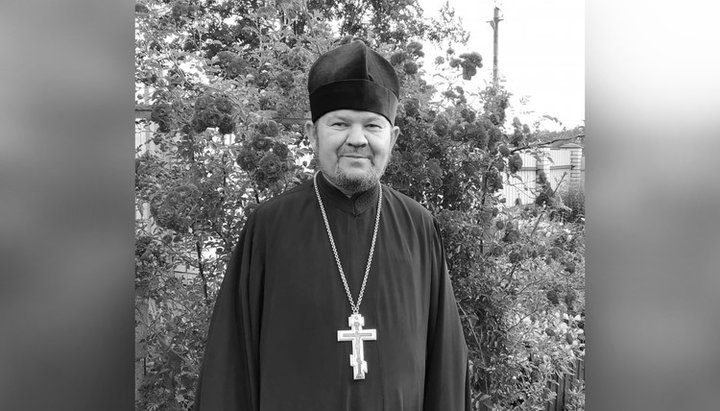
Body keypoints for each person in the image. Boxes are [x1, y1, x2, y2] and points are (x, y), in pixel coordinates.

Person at [194, 40, 470, 411]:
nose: (357, 140)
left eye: (372, 125)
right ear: (313, 134)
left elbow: (446, 367)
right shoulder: (269, 228)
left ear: (392, 138)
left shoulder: (419, 228)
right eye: (340, 124)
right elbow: (231, 368)